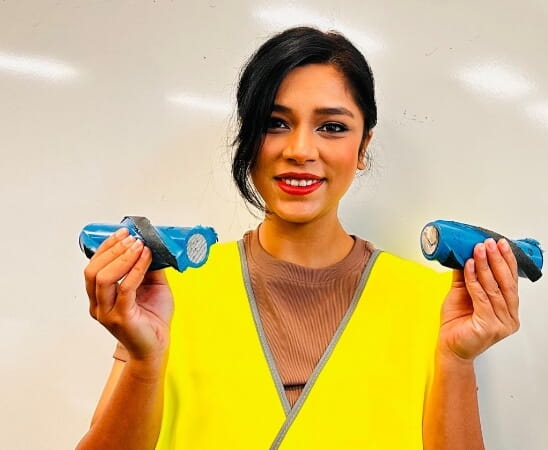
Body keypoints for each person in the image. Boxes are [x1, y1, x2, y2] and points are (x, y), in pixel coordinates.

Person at [77, 27, 520, 450]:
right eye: (275, 122)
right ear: (248, 141)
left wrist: (457, 361)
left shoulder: (435, 304)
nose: (301, 150)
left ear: (363, 147)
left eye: (331, 127)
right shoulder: (171, 290)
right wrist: (143, 362)